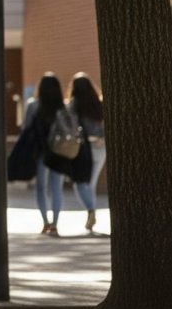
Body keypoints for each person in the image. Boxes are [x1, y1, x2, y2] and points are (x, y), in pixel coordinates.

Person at [21, 73, 71, 236]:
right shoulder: (63, 107)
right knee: (56, 188)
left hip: (40, 151)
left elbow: (26, 129)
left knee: (41, 187)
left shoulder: (33, 105)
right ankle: (55, 223)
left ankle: (45, 222)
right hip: (59, 150)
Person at [71, 73, 107, 232]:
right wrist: (102, 138)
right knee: (90, 183)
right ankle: (90, 214)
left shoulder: (74, 104)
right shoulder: (99, 103)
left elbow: (70, 125)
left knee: (79, 183)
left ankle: (91, 211)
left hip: (84, 147)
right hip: (101, 147)